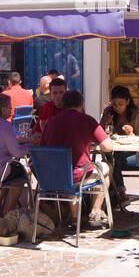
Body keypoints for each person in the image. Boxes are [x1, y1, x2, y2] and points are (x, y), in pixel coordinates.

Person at [41, 89, 114, 227]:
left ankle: (75, 218)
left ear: (62, 105)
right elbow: (108, 147)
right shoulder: (87, 121)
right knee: (106, 167)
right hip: (78, 175)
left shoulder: (51, 122)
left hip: (53, 175)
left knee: (69, 168)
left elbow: (42, 148)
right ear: (81, 105)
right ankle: (96, 211)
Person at [100, 85, 139, 209]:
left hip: (133, 153)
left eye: (121, 104)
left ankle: (118, 192)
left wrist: (131, 133)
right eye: (114, 104)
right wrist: (106, 123)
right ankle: (115, 193)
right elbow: (100, 134)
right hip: (114, 150)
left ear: (128, 101)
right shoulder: (109, 112)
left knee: (112, 158)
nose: (117, 107)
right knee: (109, 156)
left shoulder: (136, 114)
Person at [0, 92, 30, 212]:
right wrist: (31, 145)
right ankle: (8, 212)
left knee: (13, 174)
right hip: (0, 169)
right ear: (3, 110)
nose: (11, 109)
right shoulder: (3, 124)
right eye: (10, 107)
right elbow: (17, 153)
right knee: (21, 174)